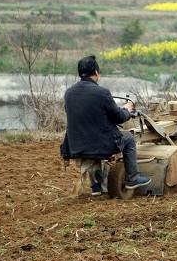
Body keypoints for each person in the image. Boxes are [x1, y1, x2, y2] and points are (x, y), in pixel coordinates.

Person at [60, 55, 150, 195]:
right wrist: (127, 109)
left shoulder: (69, 93)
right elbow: (119, 117)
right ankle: (133, 177)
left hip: (75, 145)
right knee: (129, 139)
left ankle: (96, 187)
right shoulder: (102, 93)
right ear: (96, 72)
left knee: (93, 137)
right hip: (99, 144)